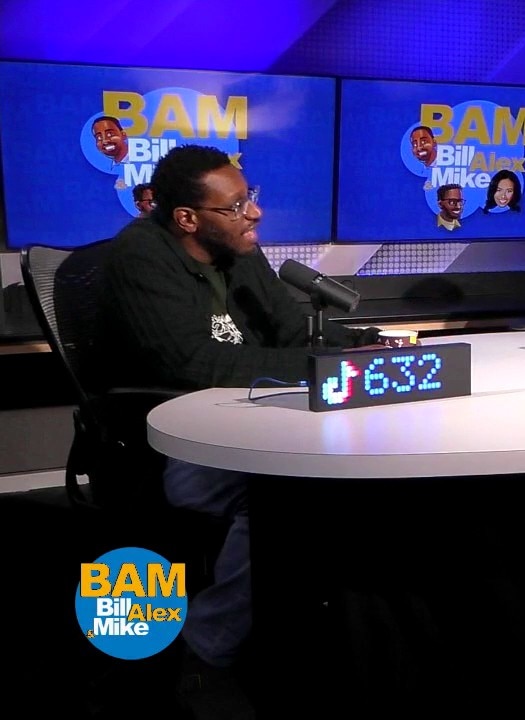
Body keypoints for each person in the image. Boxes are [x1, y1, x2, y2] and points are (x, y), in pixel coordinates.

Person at [102, 144, 380, 710]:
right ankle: (207, 649)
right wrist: (315, 367)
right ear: (187, 218)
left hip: (245, 422)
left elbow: (289, 329)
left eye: (249, 197)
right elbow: (192, 364)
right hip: (169, 443)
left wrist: (358, 348)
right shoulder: (140, 256)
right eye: (234, 206)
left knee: (343, 479)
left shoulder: (239, 249)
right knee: (283, 495)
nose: (254, 212)